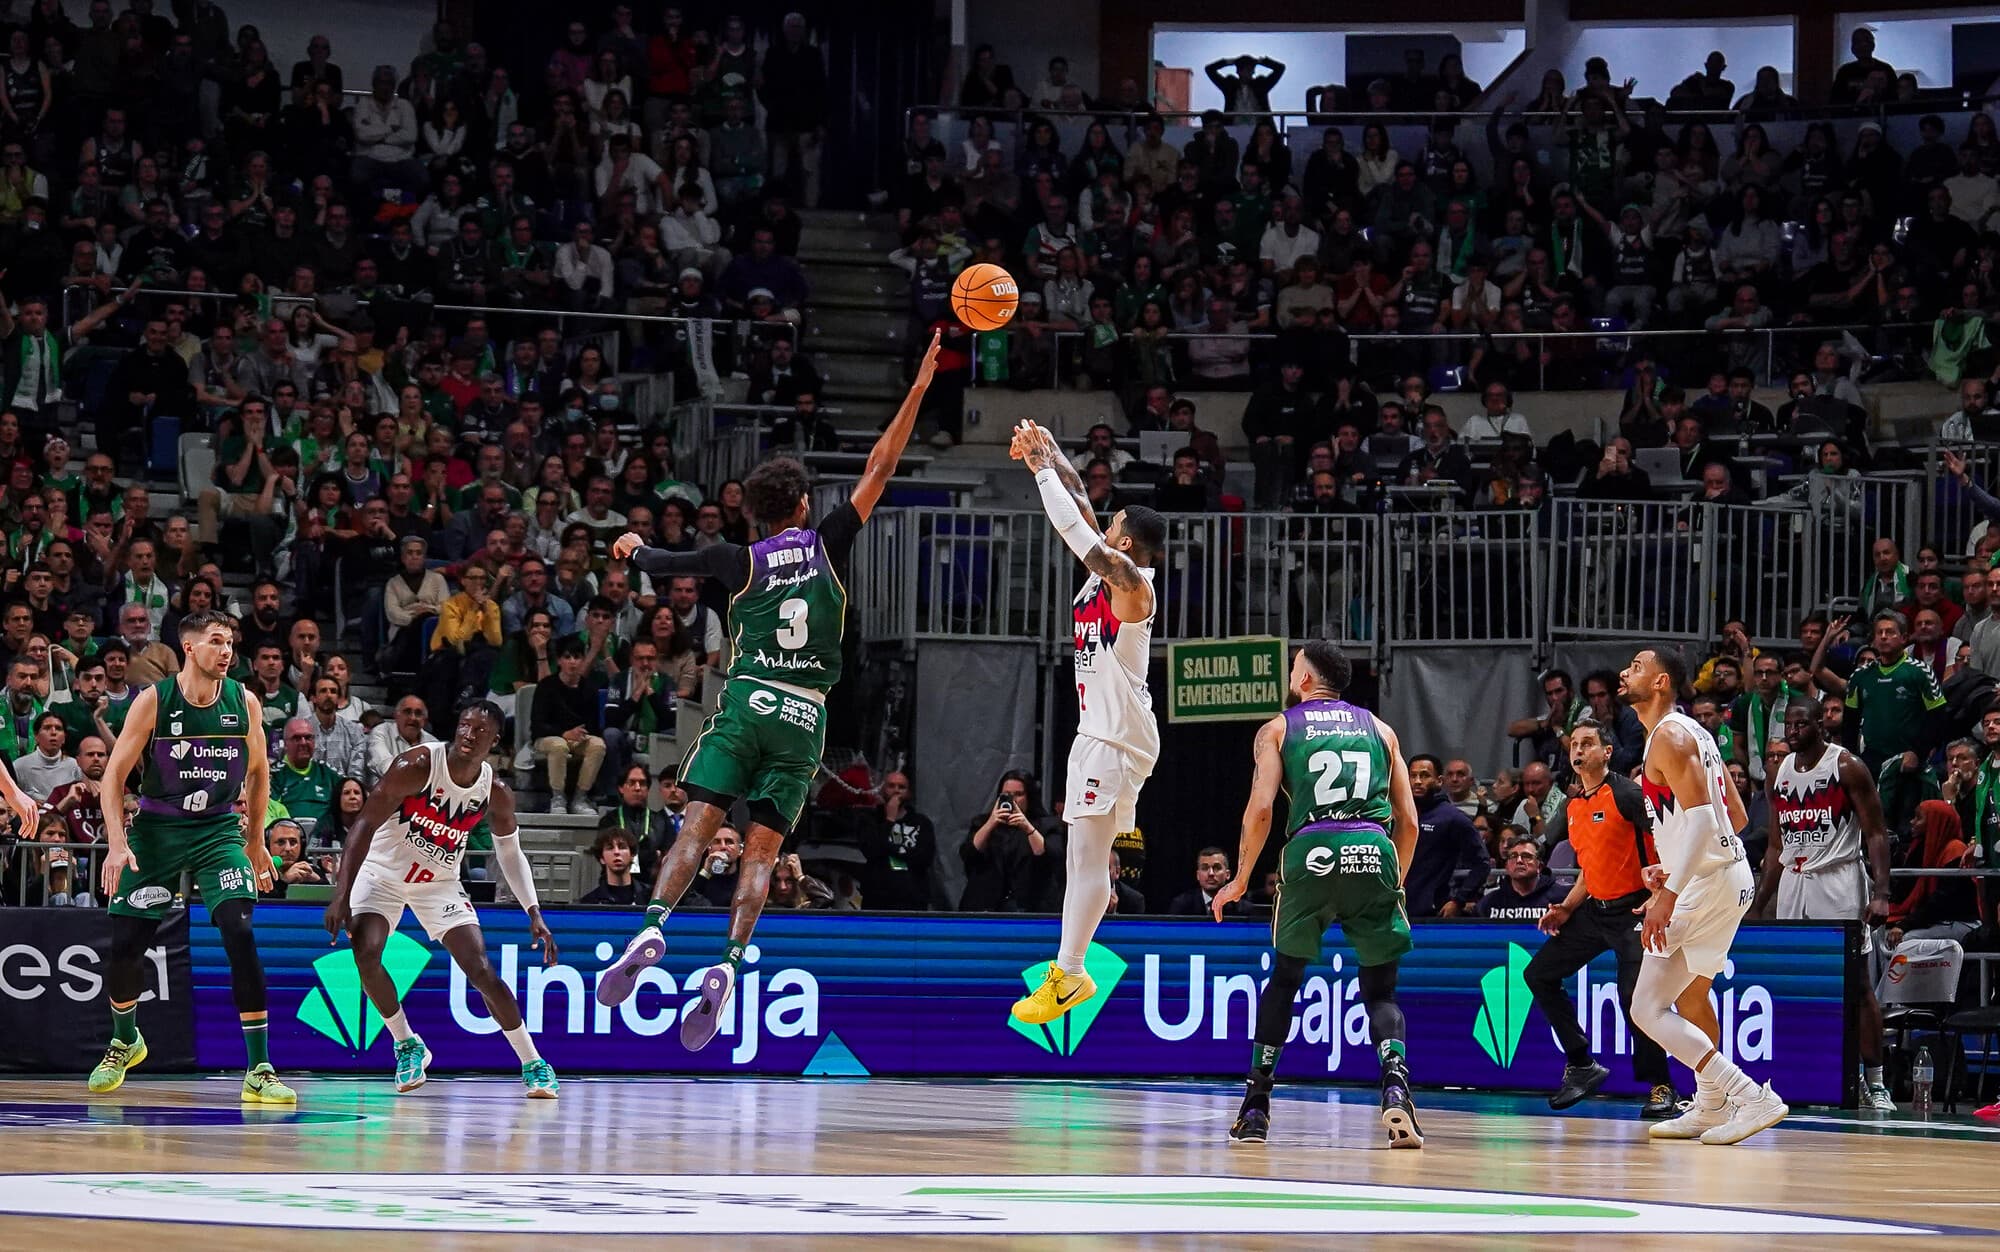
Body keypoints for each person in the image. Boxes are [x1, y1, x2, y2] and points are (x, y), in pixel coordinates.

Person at [593, 334, 942, 1051]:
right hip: (804, 716)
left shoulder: (736, 558)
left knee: (696, 827)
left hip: (749, 699)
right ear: (805, 505)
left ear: (754, 513)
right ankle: (726, 963)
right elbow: (881, 465)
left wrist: (633, 548)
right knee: (760, 851)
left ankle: (653, 927)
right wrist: (918, 385)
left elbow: (665, 562)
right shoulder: (829, 541)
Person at [1210, 641, 1421, 1148]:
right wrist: (1393, 879)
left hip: (1312, 848)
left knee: (1285, 980)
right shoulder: (1382, 730)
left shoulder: (1279, 728)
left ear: (1304, 679)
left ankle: (1256, 1106)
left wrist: (1241, 878)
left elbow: (1262, 808)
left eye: (1292, 667)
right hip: (1373, 847)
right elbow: (1410, 822)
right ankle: (1395, 1086)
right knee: (1381, 992)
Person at [90, 610, 291, 1102]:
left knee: (239, 932)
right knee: (127, 945)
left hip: (218, 830)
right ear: (189, 647)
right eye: (216, 641)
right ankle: (125, 1039)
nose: (227, 651)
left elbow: (259, 773)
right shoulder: (154, 701)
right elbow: (113, 777)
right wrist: (117, 843)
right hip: (157, 830)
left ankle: (259, 1068)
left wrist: (255, 842)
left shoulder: (244, 701)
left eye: (230, 642)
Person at [1006, 419, 1165, 1027]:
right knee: (1082, 858)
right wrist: (1049, 451)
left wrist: (1040, 472)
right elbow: (1080, 504)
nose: (1105, 525)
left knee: (1089, 859)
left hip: (1115, 736)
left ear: (1125, 543)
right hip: (1100, 732)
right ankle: (1070, 969)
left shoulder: (1133, 588)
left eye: (1114, 524)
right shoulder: (1110, 567)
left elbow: (1076, 530)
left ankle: (1071, 972)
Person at [324, 701, 558, 1097]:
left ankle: (533, 1062)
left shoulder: (495, 792)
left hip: (439, 882)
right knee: (366, 952)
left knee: (480, 969)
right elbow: (364, 824)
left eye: (480, 730)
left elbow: (510, 853)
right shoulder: (415, 765)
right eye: (465, 725)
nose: (469, 734)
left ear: (494, 741)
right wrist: (341, 894)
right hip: (382, 871)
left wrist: (533, 911)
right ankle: (406, 1043)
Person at [1618, 646, 1785, 1145]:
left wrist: (1670, 892)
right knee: (1691, 997)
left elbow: (1707, 821)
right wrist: (1671, 865)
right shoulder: (1698, 734)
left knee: (1646, 1008)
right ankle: (1710, 1104)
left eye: (1637, 666)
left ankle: (1749, 1095)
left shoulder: (1668, 735)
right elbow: (1735, 815)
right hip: (1726, 877)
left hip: (1706, 883)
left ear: (1661, 682)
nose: (1626, 672)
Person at [1529, 718, 1679, 1119]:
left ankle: (1662, 1086)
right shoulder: (1574, 806)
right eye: (1574, 744)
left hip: (1636, 910)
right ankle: (1581, 1063)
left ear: (1607, 752)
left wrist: (1660, 896)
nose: (1578, 750)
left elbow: (1668, 841)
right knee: (1538, 974)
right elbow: (1590, 868)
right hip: (1596, 911)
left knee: (1634, 999)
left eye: (1588, 743)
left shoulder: (1627, 794)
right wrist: (1567, 907)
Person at [1751, 702, 1896, 1112]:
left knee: (1856, 984)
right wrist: (1759, 903)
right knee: (1798, 984)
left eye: (1802, 723)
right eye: (1789, 724)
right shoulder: (1780, 772)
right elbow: (1776, 845)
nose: (1793, 730)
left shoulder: (1846, 766)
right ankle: (1815, 1076)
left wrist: (1882, 892)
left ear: (1820, 725)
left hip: (1838, 878)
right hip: (1794, 881)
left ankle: (1876, 1081)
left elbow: (1876, 832)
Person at [1471, 833, 1563, 919]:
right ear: (1506, 866)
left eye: (1526, 856)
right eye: (1513, 856)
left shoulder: (1561, 898)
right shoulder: (1488, 903)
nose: (1519, 861)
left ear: (1540, 866)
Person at [1168, 846, 1240, 917]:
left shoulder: (1242, 908)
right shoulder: (1181, 905)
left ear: (1227, 874)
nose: (1211, 873)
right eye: (1205, 868)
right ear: (1198, 875)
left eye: (1216, 868)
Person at [581, 826, 646, 905]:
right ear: (602, 858)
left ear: (632, 855)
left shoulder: (649, 897)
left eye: (622, 847)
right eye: (610, 848)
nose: (616, 852)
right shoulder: (590, 902)